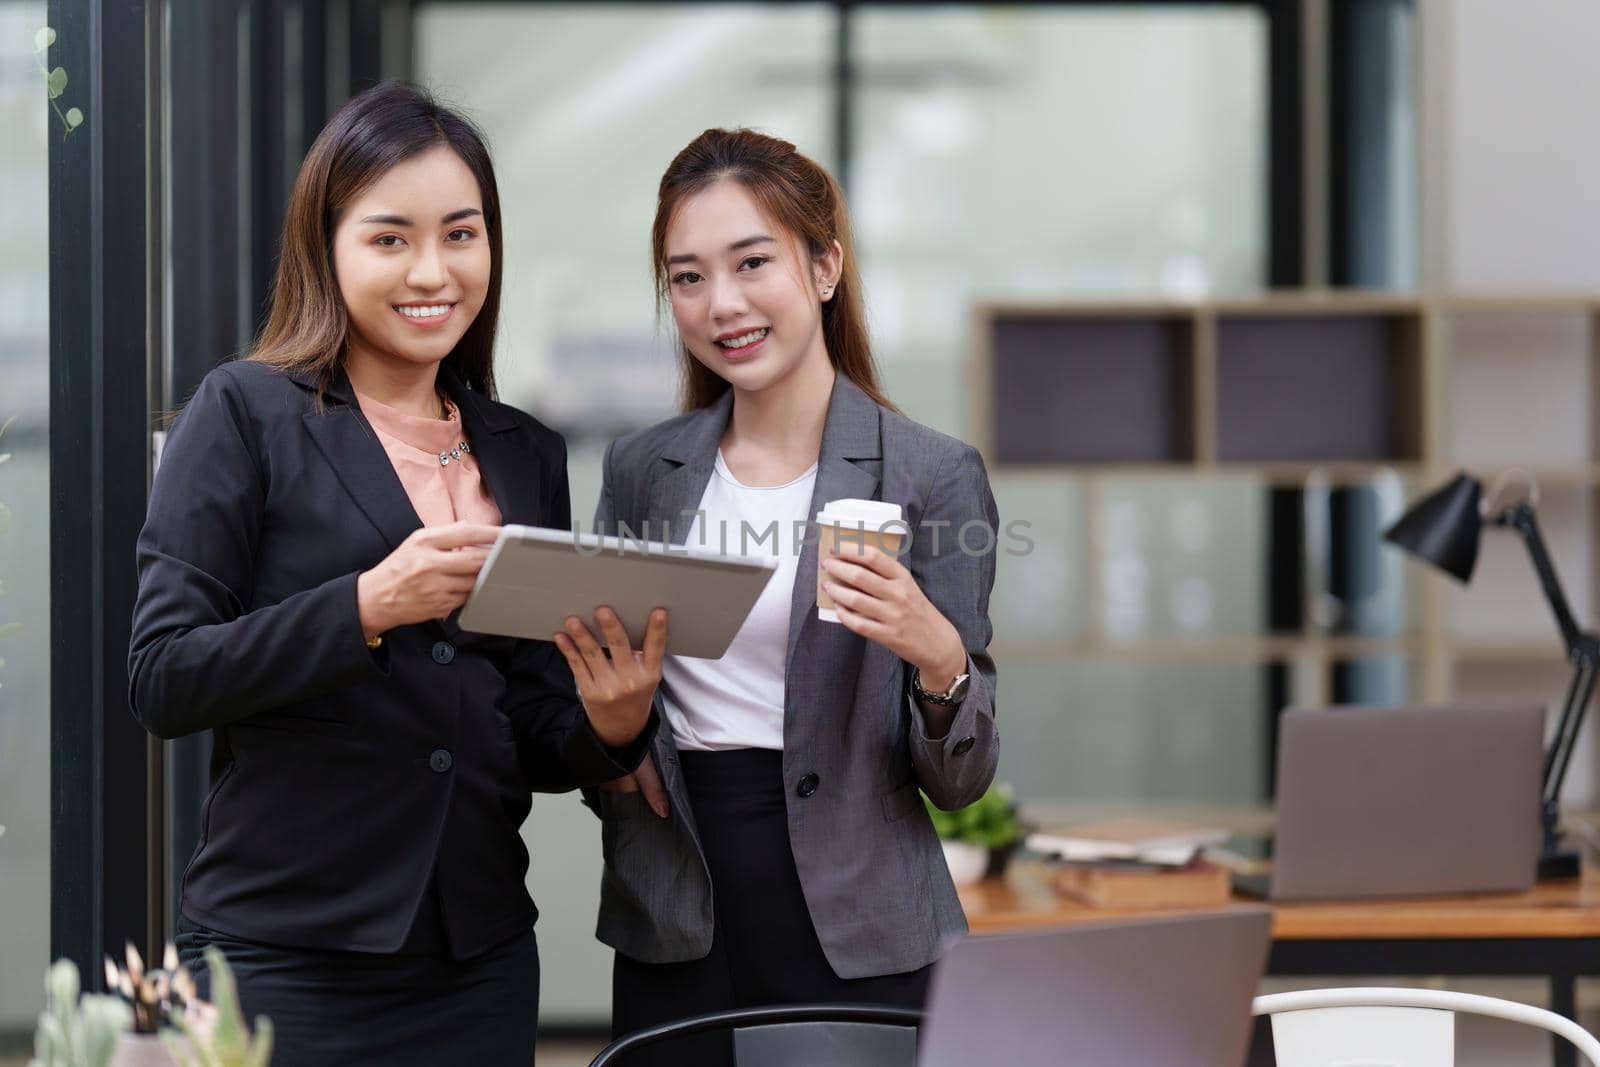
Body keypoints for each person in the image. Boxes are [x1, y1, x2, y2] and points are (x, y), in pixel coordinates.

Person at [127, 81, 661, 1065]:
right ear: (326, 248)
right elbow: (164, 674)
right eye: (389, 238)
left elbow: (530, 723)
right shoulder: (244, 412)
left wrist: (611, 722)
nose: (433, 270)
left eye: (461, 235)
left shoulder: (523, 450)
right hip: (283, 947)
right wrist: (368, 602)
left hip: (477, 953)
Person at [564, 127, 999, 1063]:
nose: (722, 303)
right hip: (676, 905)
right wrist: (611, 733)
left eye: (751, 261)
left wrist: (938, 655)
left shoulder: (929, 474)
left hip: (863, 923)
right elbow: (606, 722)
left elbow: (961, 780)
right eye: (687, 277)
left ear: (825, 265)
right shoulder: (644, 470)